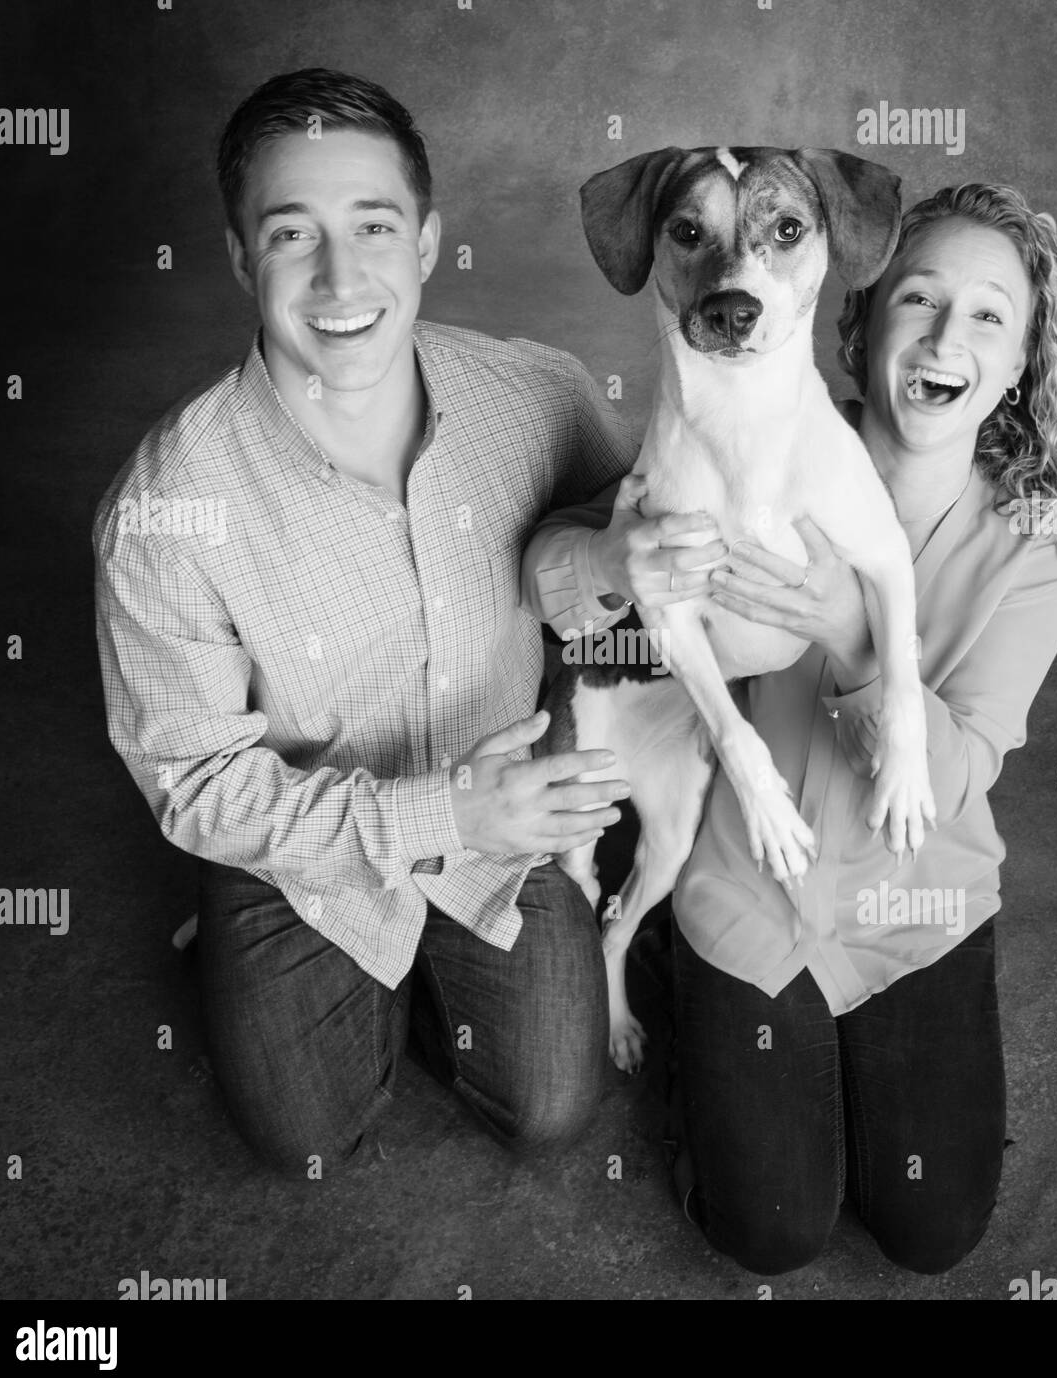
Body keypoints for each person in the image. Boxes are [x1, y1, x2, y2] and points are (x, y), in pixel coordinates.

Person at [523, 183, 1057, 1274]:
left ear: (1023, 359)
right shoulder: (766, 437)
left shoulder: (1044, 546)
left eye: (989, 315)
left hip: (916, 899)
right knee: (767, 1229)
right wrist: (602, 570)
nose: (948, 335)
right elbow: (568, 562)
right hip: (747, 888)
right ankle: (679, 974)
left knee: (933, 1228)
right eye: (918, 297)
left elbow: (957, 770)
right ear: (856, 314)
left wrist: (853, 635)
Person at [92, 68, 638, 1177]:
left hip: (508, 816)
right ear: (245, 258)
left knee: (551, 1108)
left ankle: (437, 972)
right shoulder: (164, 507)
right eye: (293, 234)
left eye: (373, 226)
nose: (341, 276)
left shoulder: (540, 397)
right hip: (299, 846)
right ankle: (240, 920)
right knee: (308, 1132)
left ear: (427, 242)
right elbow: (196, 782)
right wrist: (441, 811)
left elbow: (612, 589)